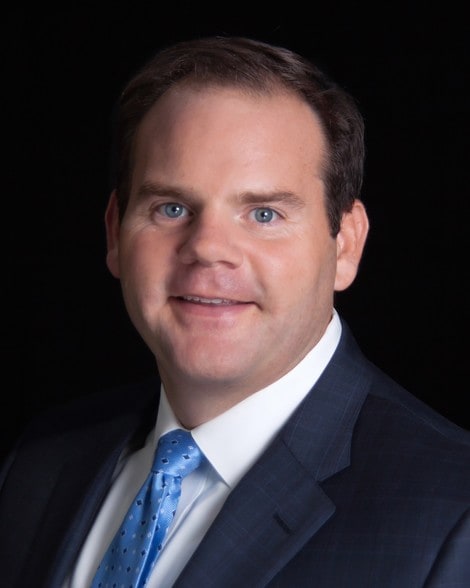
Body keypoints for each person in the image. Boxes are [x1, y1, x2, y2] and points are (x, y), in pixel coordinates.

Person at [1, 35, 469, 588]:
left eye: (264, 214)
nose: (207, 248)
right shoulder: (39, 465)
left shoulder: (452, 517)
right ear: (114, 233)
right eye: (171, 208)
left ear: (346, 245)